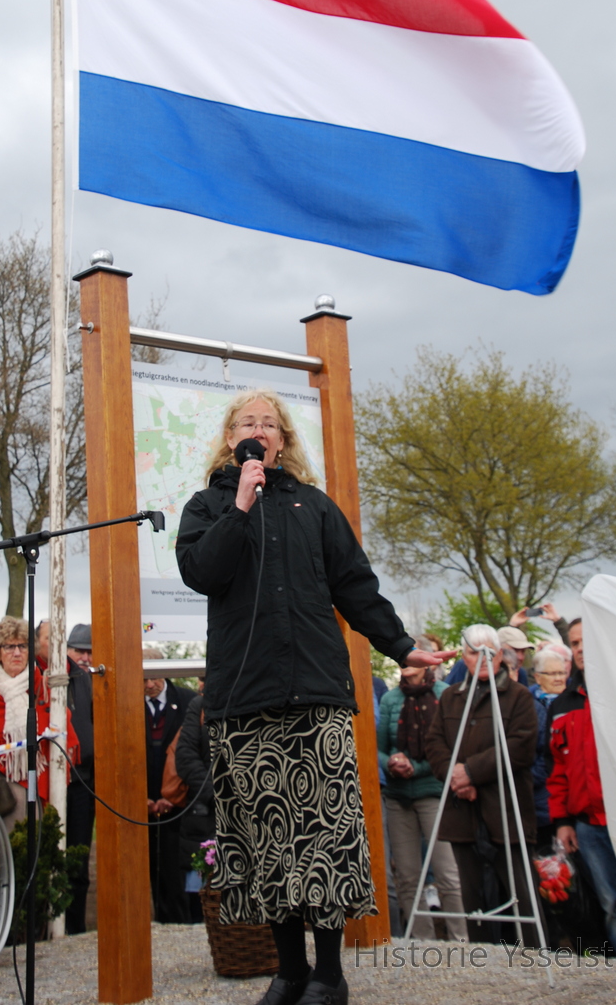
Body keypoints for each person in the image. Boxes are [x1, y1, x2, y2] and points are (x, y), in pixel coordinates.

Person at [176, 390, 440, 1005]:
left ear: (284, 439)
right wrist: (239, 506)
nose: (259, 430)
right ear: (230, 436)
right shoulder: (208, 505)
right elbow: (203, 573)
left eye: (270, 423)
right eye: (248, 422)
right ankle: (288, 970)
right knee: (268, 842)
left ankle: (329, 973)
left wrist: (401, 647)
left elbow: (355, 586)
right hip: (244, 700)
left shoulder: (314, 506)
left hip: (315, 694)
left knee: (322, 838)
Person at [425, 624, 543, 948]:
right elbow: (434, 743)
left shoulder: (518, 696)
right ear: (463, 656)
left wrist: (472, 773)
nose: (481, 658)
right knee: (473, 894)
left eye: (488, 651)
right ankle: (482, 962)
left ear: (501, 654)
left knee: (522, 891)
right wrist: (456, 777)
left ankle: (535, 954)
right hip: (463, 811)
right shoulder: (450, 697)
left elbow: (520, 746)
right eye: (473, 652)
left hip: (506, 809)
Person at [547, 618, 616, 960]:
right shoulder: (562, 705)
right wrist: (562, 821)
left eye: (586, 641)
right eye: (574, 643)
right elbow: (557, 769)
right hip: (589, 825)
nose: (581, 649)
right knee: (613, 904)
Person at [377, 637, 467, 942]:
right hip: (398, 797)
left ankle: (460, 940)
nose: (406, 663)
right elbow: (376, 748)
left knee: (447, 873)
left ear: (427, 662)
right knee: (407, 876)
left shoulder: (444, 695)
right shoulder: (390, 700)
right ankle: (422, 942)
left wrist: (419, 767)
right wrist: (392, 762)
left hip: (434, 793)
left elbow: (450, 747)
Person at [0, 616, 79, 831]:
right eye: (9, 646)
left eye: (23, 646)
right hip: (0, 791)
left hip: (43, 781)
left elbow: (64, 732)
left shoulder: (45, 687)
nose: (16, 653)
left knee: (42, 849)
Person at [36, 619, 96, 934]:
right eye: (78, 650)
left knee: (78, 858)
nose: (83, 657)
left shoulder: (86, 680)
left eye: (89, 651)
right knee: (42, 856)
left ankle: (74, 929)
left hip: (81, 780)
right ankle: (38, 929)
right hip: (43, 779)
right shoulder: (35, 677)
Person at [143, 646, 196, 924]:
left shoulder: (188, 701)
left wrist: (175, 797)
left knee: (180, 871)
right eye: (143, 679)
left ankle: (185, 921)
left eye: (155, 677)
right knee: (148, 869)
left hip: (181, 807)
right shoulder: (127, 704)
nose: (149, 685)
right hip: (143, 808)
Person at [175, 691, 214, 922]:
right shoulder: (199, 706)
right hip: (203, 816)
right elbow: (185, 757)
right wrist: (215, 794)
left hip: (246, 813)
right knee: (200, 898)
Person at [528, 648, 568, 846]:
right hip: (539, 799)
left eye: (561, 673)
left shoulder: (572, 703)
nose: (559, 678)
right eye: (552, 674)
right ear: (537, 677)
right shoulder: (527, 705)